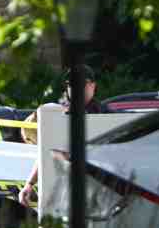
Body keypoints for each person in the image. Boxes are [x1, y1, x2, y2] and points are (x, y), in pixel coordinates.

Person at [17, 65, 106, 206]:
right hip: (66, 193)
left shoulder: (107, 115)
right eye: (71, 84)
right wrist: (29, 184)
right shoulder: (59, 115)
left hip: (100, 191)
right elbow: (47, 151)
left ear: (93, 86)